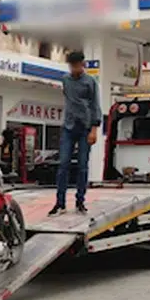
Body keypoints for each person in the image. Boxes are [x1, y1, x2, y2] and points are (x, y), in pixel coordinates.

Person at [49, 50, 101, 216]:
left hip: (85, 128)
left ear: (83, 64)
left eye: (77, 66)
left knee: (82, 166)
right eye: (72, 66)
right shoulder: (65, 80)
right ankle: (60, 203)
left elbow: (95, 106)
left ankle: (80, 201)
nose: (74, 69)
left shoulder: (91, 82)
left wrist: (94, 129)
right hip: (69, 127)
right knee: (63, 164)